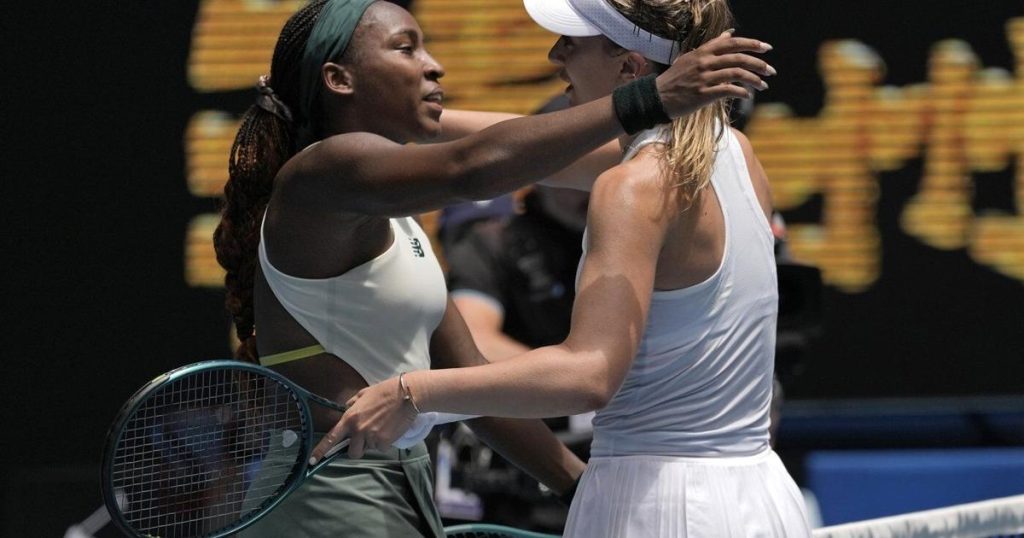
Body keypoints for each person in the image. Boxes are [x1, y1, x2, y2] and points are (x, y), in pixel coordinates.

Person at [214, 0, 775, 535]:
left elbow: (467, 376)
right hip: (330, 490)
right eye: (406, 49)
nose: (434, 64)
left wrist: (575, 484)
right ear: (340, 80)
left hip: (401, 487)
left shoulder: (396, 222)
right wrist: (649, 95)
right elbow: (473, 167)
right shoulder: (322, 173)